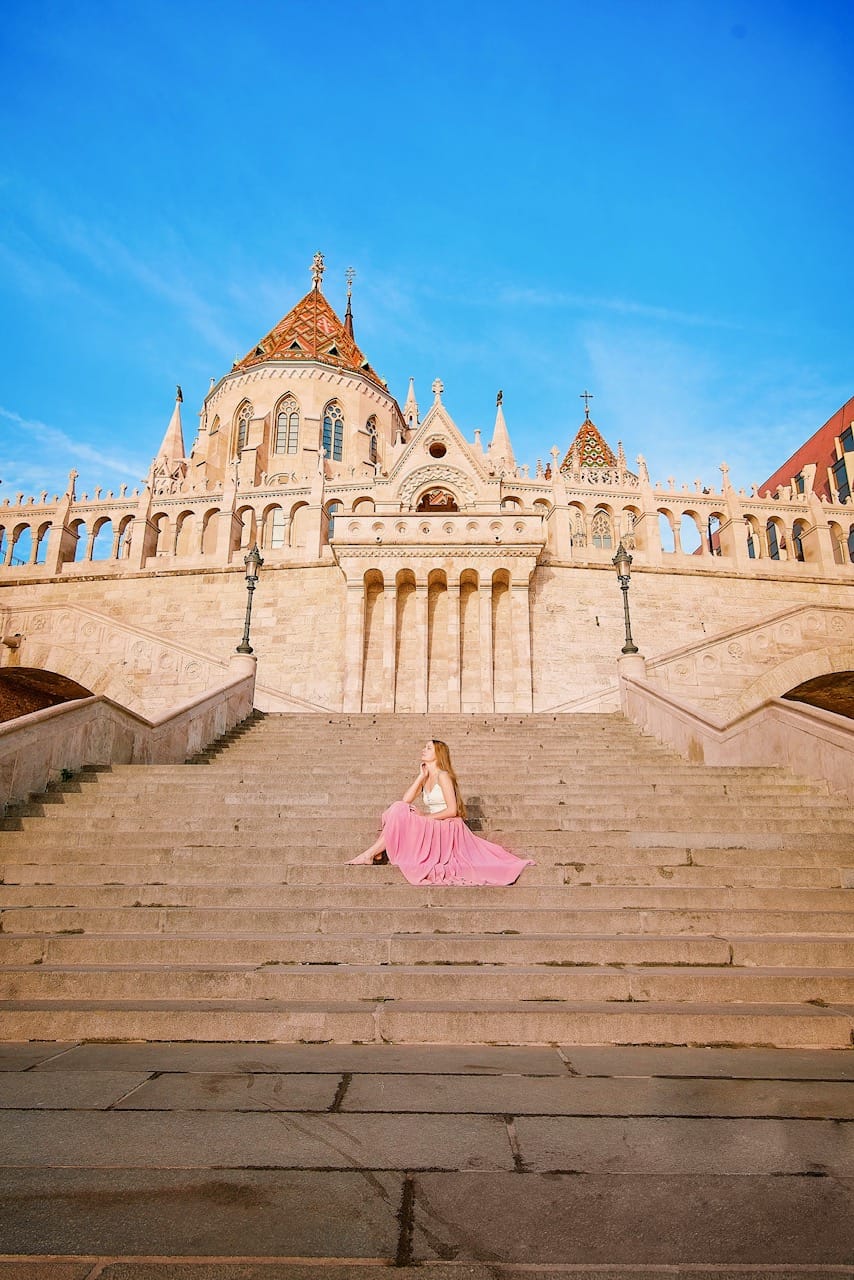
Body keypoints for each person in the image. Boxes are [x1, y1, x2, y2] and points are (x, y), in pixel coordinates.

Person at [347, 739, 534, 886]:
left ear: (438, 753)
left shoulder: (443, 776)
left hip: (448, 826)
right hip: (434, 823)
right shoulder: (427, 776)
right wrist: (420, 777)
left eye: (428, 747)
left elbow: (452, 810)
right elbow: (406, 800)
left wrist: (425, 818)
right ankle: (372, 854)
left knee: (401, 812)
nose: (423, 750)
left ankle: (372, 854)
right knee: (399, 807)